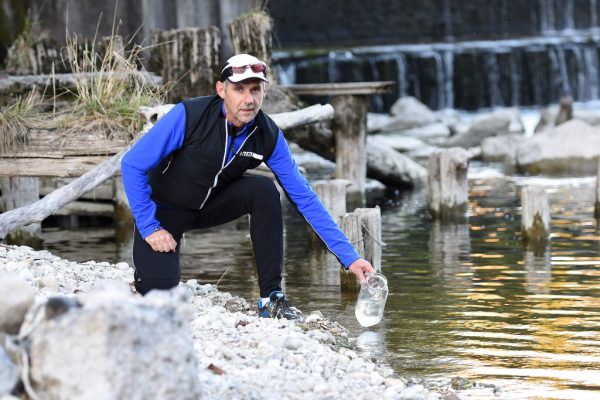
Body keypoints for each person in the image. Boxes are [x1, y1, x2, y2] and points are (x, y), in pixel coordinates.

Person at [121, 53, 375, 321]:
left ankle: (271, 298)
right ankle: (148, 271)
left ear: (264, 91)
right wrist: (150, 227)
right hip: (165, 213)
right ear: (222, 90)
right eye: (239, 89)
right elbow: (133, 165)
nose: (249, 99)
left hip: (209, 206)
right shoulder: (189, 116)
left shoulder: (268, 135)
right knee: (159, 292)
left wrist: (351, 259)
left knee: (264, 191)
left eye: (255, 89)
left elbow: (304, 199)